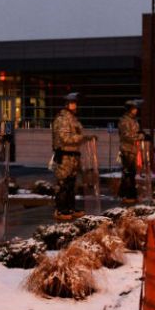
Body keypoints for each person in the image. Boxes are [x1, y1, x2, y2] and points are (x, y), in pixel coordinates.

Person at [51, 92, 92, 220]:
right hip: (64, 155)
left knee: (71, 183)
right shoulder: (62, 119)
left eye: (75, 103)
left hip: (73, 155)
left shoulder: (73, 119)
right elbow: (65, 138)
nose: (75, 106)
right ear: (67, 104)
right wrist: (82, 138)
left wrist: (86, 138)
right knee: (63, 183)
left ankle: (70, 208)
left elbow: (77, 135)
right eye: (72, 103)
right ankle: (60, 209)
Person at [118, 99, 144, 204]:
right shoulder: (124, 120)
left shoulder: (133, 120)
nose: (136, 111)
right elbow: (126, 135)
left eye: (136, 108)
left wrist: (140, 133)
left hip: (133, 150)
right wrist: (140, 136)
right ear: (129, 109)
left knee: (131, 173)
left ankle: (130, 194)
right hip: (127, 150)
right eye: (134, 109)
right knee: (128, 173)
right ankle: (127, 194)